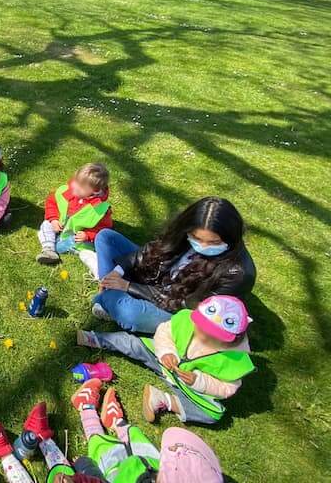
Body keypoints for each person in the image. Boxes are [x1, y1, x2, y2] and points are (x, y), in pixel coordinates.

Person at [77, 295, 254, 425]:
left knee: (212, 415)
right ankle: (97, 339)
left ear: (230, 339)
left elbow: (227, 388)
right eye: (201, 329)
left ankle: (162, 399)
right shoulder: (187, 320)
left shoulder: (235, 358)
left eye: (211, 336)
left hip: (187, 386)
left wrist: (198, 381)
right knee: (133, 344)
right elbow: (164, 331)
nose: (202, 336)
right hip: (162, 359)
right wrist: (167, 352)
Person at [92, 196, 256, 334]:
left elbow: (185, 305)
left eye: (214, 242)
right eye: (196, 238)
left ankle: (108, 296)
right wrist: (117, 272)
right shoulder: (181, 234)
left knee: (129, 312)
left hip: (174, 309)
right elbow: (148, 251)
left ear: (230, 237)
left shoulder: (238, 273)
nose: (204, 246)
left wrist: (128, 286)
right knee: (106, 237)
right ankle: (109, 289)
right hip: (155, 282)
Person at [66, 379, 223, 482]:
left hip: (115, 472)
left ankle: (86, 406)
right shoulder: (163, 468)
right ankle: (116, 421)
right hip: (149, 459)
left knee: (99, 444)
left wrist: (82, 468)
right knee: (136, 437)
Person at [36, 163, 112, 278]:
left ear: (94, 192)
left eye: (80, 187)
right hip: (59, 227)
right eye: (75, 181)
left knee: (85, 252)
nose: (74, 187)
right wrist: (53, 219)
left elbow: (103, 230)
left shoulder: (99, 209)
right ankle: (48, 250)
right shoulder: (67, 191)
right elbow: (52, 203)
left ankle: (101, 271)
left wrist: (87, 235)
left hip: (76, 238)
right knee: (46, 224)